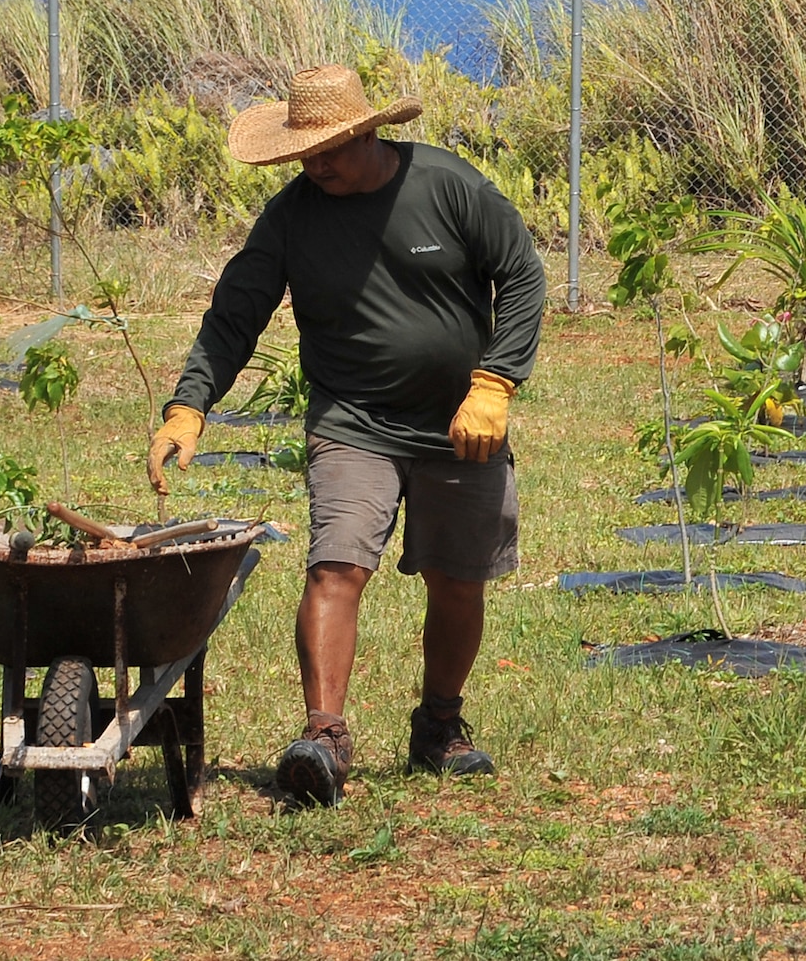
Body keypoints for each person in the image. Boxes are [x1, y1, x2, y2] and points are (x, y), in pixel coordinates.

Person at [146, 63, 546, 807]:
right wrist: (189, 406)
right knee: (336, 565)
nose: (315, 162)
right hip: (351, 419)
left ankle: (439, 726)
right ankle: (323, 737)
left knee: (459, 581)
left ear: (368, 130)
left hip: (460, 422)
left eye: (329, 146)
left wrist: (495, 382)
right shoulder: (292, 217)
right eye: (304, 150)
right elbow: (236, 312)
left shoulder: (448, 186)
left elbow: (521, 273)